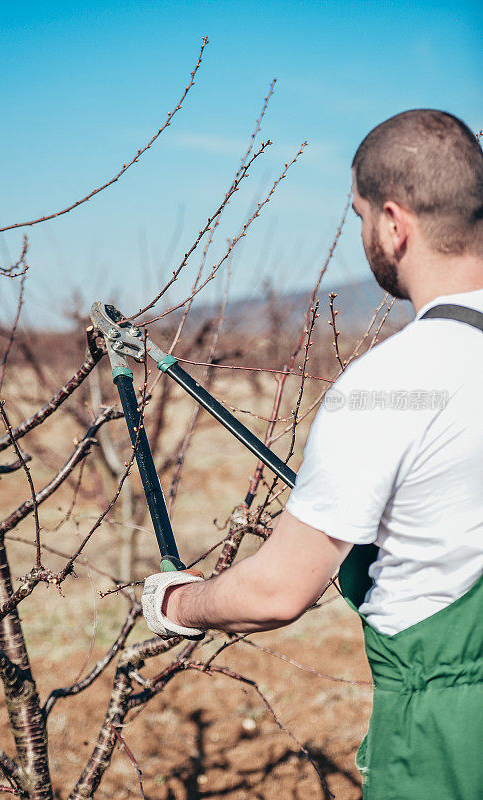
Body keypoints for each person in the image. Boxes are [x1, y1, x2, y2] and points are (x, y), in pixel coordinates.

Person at [141, 109, 483, 799]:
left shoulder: (390, 383)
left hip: (449, 733)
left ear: (394, 223)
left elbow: (276, 592)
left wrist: (177, 603)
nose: (362, 236)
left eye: (358, 216)